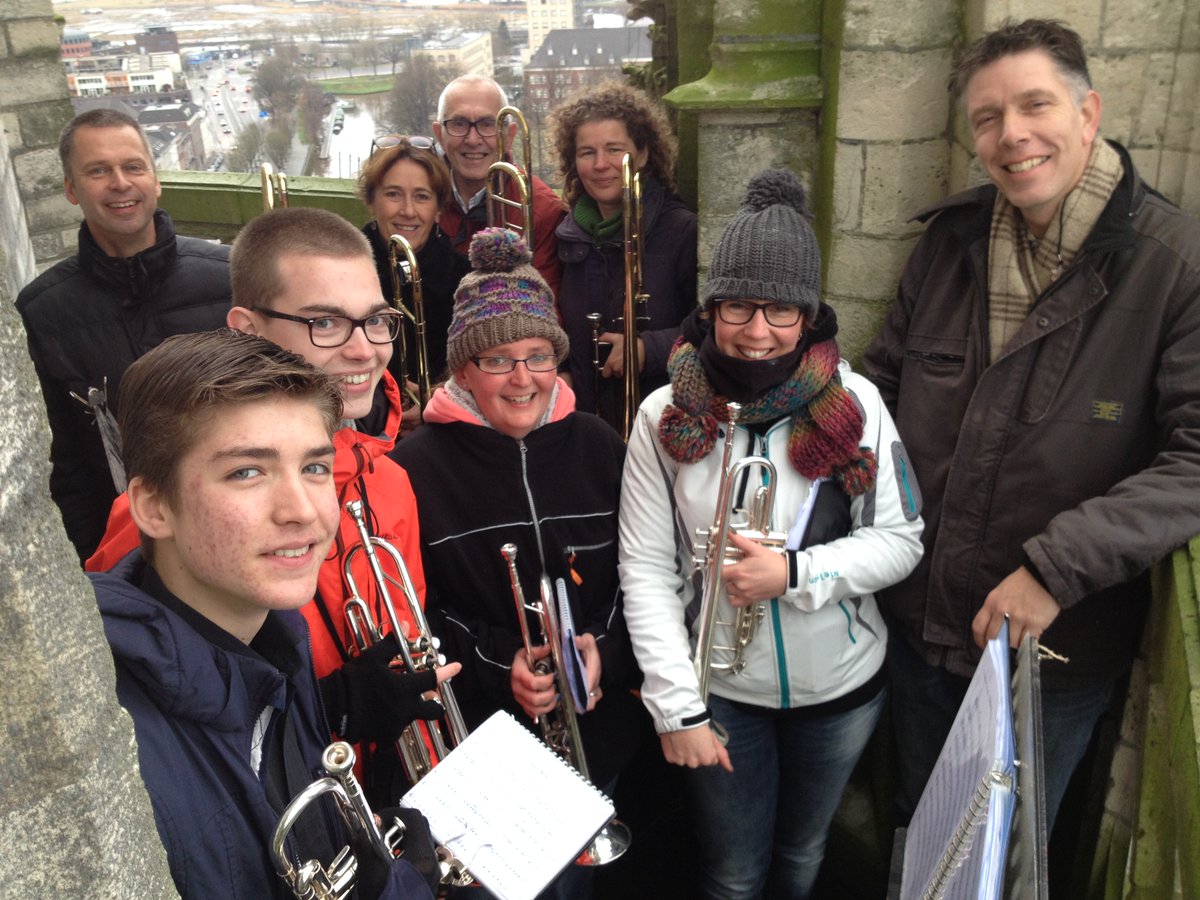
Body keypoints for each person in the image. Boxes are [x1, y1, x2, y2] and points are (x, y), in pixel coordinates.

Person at [862, 18, 1200, 831]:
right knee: (919, 823)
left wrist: (1054, 569)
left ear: (1088, 113)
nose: (1011, 135)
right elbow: (882, 385)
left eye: (1034, 105)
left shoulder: (1174, 266)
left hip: (1048, 658)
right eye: (986, 118)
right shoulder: (949, 243)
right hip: (921, 623)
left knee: (1002, 855)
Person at [87, 208, 457, 810]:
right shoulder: (170, 512)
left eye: (377, 321)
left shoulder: (388, 480)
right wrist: (333, 704)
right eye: (325, 322)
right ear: (247, 331)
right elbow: (146, 712)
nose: (365, 349)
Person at [619, 170, 924, 900]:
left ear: (811, 316)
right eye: (738, 307)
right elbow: (645, 568)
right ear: (710, 308)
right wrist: (676, 707)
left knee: (802, 856)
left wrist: (797, 575)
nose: (758, 333)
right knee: (730, 873)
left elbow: (902, 537)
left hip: (843, 692)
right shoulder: (665, 415)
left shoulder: (860, 404)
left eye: (782, 310)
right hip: (721, 695)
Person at [88, 329, 438, 899]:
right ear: (152, 506)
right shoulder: (114, 750)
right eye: (247, 472)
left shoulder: (278, 641)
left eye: (316, 468)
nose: (301, 511)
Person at [390, 228, 647, 900]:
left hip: (598, 729)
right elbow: (419, 610)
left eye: (539, 356)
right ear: (463, 369)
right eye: (499, 359)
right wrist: (506, 666)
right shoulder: (414, 467)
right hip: (486, 742)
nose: (524, 377)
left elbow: (640, 574)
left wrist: (605, 653)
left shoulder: (597, 444)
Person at [16, 108, 231, 563]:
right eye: (98, 171)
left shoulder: (228, 278)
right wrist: (99, 567)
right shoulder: (42, 313)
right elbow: (64, 467)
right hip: (129, 557)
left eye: (133, 166)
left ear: (156, 179)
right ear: (71, 190)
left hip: (239, 531)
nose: (120, 182)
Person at [548, 81, 698, 432]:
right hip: (585, 422)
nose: (601, 164)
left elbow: (711, 328)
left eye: (615, 149)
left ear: (643, 154)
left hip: (660, 424)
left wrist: (648, 348)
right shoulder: (567, 233)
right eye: (587, 152)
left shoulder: (681, 231)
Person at [358, 134, 470, 421]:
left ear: (438, 209)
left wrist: (445, 397)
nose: (407, 210)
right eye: (393, 194)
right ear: (372, 201)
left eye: (422, 197)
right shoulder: (341, 271)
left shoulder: (467, 279)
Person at [432, 73, 566, 297]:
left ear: (510, 135)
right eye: (458, 123)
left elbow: (547, 312)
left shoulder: (542, 209)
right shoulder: (419, 198)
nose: (473, 140)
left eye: (487, 124)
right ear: (439, 134)